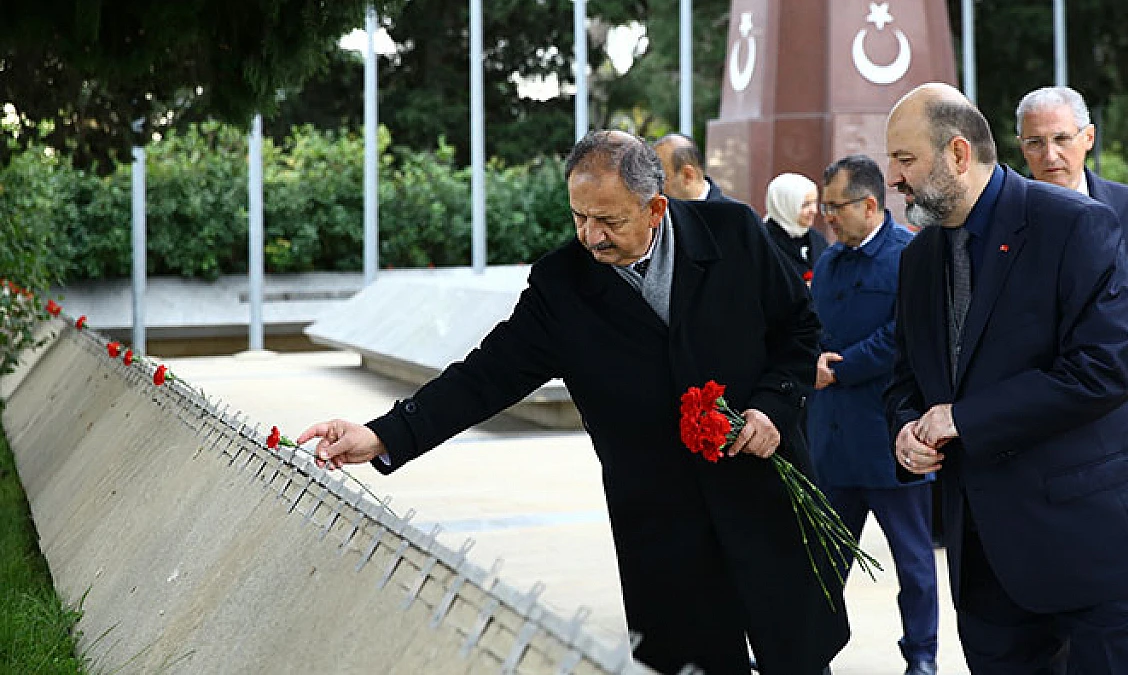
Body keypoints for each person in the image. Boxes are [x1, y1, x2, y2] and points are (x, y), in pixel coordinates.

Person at [298, 130, 849, 675]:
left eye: (609, 221)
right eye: (579, 217)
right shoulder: (561, 286)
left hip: (764, 497)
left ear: (655, 208)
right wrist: (383, 434)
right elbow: (485, 377)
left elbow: (799, 330)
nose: (591, 237)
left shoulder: (733, 233)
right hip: (663, 526)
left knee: (797, 657)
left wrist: (772, 408)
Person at [882, 83, 1128, 674]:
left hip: (1097, 554)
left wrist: (961, 419)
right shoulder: (918, 259)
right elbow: (906, 378)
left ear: (958, 154)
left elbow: (1102, 370)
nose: (894, 177)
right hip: (987, 570)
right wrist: (906, 431)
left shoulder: (1076, 224)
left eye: (905, 159)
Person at [1016, 85, 1128, 663]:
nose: (1050, 155)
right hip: (1063, 442)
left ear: (1088, 138)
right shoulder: (1010, 224)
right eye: (1035, 143)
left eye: (1062, 139)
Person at [809, 155, 938, 675]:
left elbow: (903, 334)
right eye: (824, 206)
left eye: (835, 206)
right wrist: (810, 360)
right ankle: (811, 651)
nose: (826, 217)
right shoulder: (828, 262)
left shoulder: (909, 256)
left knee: (914, 562)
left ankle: (921, 657)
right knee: (823, 563)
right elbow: (811, 326)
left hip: (890, 441)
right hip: (832, 442)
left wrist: (840, 369)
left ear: (868, 204)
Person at [763, 172, 828, 283]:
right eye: (805, 204)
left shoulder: (817, 239)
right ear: (784, 206)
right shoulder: (764, 242)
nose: (814, 210)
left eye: (815, 202)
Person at [654, 132, 730, 201]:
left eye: (659, 178)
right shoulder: (657, 209)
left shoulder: (732, 211)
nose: (652, 187)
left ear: (688, 176)